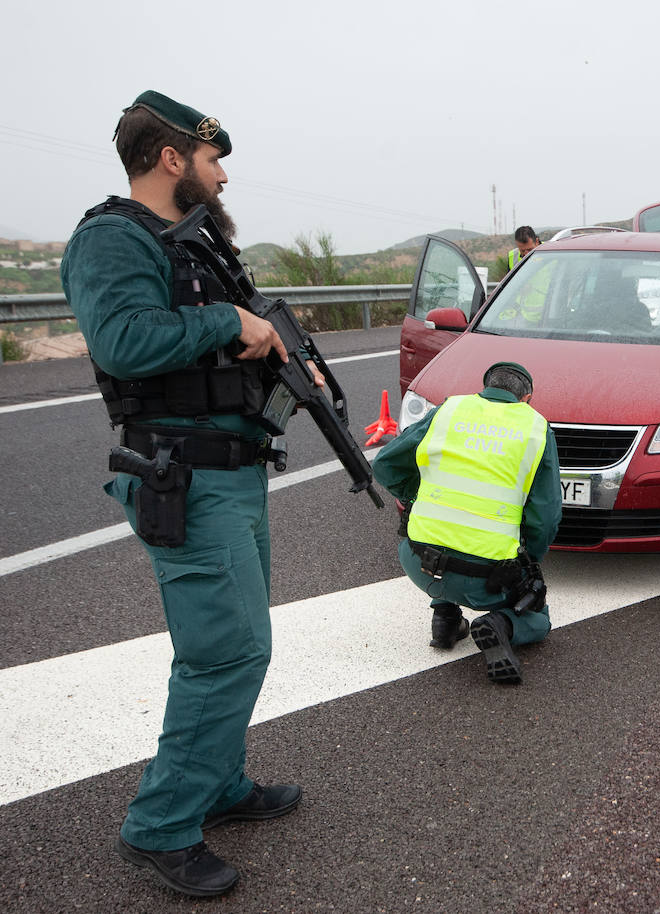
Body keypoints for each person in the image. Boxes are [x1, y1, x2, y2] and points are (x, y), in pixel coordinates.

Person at [60, 91, 303, 898]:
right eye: (212, 158)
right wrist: (227, 323)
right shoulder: (111, 238)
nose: (223, 175)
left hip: (229, 471)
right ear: (172, 159)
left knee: (234, 644)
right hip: (184, 478)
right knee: (225, 652)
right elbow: (124, 341)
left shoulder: (187, 243)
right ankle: (161, 822)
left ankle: (219, 784)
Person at [373, 362, 561, 684]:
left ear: (485, 386)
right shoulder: (535, 428)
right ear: (526, 398)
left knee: (449, 530)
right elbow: (545, 517)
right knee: (538, 618)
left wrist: (417, 497)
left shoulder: (450, 409)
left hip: (417, 562)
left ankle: (445, 620)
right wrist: (530, 562)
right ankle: (500, 624)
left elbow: (385, 464)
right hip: (485, 580)